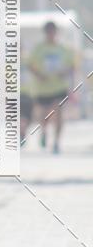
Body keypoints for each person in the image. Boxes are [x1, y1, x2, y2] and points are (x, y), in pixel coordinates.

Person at [28, 21, 74, 154]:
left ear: (56, 32)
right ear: (46, 33)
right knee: (43, 116)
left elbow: (71, 65)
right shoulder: (39, 48)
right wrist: (39, 75)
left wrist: (65, 72)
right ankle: (44, 131)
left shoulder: (63, 48)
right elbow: (30, 65)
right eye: (49, 32)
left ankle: (56, 142)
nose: (51, 34)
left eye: (53, 32)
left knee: (58, 112)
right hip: (42, 89)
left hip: (59, 87)